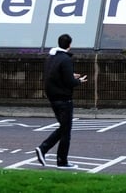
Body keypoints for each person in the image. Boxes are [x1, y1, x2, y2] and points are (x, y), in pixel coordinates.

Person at [34, 34, 88, 169]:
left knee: (64, 128)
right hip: (64, 99)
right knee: (66, 131)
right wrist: (78, 81)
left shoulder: (51, 58)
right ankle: (59, 159)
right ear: (70, 45)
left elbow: (54, 75)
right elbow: (70, 82)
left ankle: (47, 150)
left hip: (53, 97)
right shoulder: (66, 60)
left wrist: (71, 75)